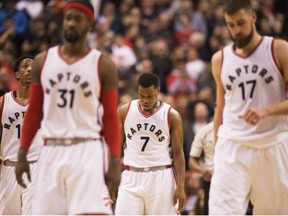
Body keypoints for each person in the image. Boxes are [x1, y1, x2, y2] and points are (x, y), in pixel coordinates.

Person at [15, 0, 121, 214]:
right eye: (68, 18)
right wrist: (23, 152)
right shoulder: (43, 61)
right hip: (50, 149)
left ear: (90, 25)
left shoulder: (104, 65)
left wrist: (114, 161)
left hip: (87, 148)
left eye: (77, 19)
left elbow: (110, 117)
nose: (71, 24)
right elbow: (34, 111)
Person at [210, 0, 288, 214]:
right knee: (222, 211)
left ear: (253, 17)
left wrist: (266, 110)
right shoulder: (220, 59)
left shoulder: (279, 50)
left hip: (273, 143)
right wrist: (217, 149)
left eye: (241, 23)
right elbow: (220, 108)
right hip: (232, 144)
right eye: (231, 25)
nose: (237, 30)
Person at [115, 73, 186, 215]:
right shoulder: (124, 111)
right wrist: (112, 176)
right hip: (131, 175)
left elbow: (178, 153)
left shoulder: (171, 116)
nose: (145, 100)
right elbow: (117, 149)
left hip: (161, 177)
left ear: (158, 92)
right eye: (142, 96)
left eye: (150, 96)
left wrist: (181, 186)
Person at [0, 55, 42, 214]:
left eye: (33, 67)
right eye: (25, 66)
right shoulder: (3, 102)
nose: (30, 69)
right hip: (9, 165)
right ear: (17, 74)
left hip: (35, 164)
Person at [189, 121, 214, 215]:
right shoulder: (205, 131)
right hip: (211, 180)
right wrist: (202, 170)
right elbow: (192, 161)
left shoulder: (237, 129)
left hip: (234, 180)